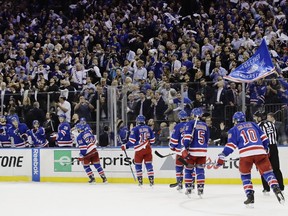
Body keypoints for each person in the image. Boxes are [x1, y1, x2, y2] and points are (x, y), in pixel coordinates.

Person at [216, 111, 285, 205]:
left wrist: (223, 155)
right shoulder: (253, 124)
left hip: (246, 154)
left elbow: (231, 146)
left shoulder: (234, 129)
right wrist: (265, 149)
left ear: (235, 120)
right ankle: (276, 188)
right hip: (260, 152)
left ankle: (250, 196)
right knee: (268, 173)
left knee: (245, 175)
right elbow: (264, 138)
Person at [253, 111, 285, 194]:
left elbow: (258, 139)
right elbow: (276, 135)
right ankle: (281, 186)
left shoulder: (259, 126)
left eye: (256, 117)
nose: (255, 119)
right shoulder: (271, 124)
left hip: (265, 148)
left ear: (259, 118)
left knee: (263, 168)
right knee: (276, 168)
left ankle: (266, 188)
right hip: (274, 147)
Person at [121, 114, 155, 186]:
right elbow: (153, 140)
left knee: (138, 164)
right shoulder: (149, 128)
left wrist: (125, 146)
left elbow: (132, 141)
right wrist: (147, 144)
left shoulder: (135, 129)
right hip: (148, 148)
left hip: (139, 149)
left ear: (137, 121)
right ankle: (151, 180)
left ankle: (140, 180)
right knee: (149, 164)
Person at [182, 108, 209, 197]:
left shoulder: (190, 123)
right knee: (200, 171)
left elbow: (187, 139)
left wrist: (185, 148)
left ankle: (189, 188)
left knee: (189, 170)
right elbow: (207, 139)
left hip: (192, 152)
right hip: (202, 152)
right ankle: (200, 189)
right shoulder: (205, 125)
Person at [168, 110, 188, 191]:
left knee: (178, 167)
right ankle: (191, 183)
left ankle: (179, 183)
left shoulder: (178, 126)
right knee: (189, 168)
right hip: (190, 151)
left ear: (179, 117)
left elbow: (174, 141)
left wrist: (172, 147)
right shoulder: (191, 125)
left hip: (180, 151)